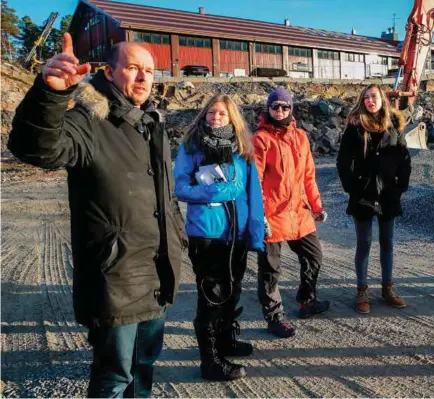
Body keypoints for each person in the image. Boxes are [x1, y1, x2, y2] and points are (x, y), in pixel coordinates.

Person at [8, 35, 186, 397]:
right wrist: (51, 94)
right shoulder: (89, 120)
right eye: (133, 68)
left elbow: (166, 198)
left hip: (156, 272)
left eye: (149, 71)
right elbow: (38, 148)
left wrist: (178, 239)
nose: (143, 78)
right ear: (110, 71)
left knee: (143, 367)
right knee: (114, 376)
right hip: (116, 277)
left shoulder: (151, 123)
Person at [173, 94, 265, 381]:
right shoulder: (191, 147)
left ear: (232, 118)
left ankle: (226, 339)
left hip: (235, 233)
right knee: (211, 296)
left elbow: (252, 192)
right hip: (207, 234)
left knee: (232, 290)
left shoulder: (241, 150)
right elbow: (180, 188)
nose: (216, 118)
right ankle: (210, 359)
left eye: (222, 114)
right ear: (204, 116)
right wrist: (214, 193)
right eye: (211, 113)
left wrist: (256, 226)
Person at [253, 87, 331, 338]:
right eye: (275, 106)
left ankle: (306, 301)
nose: (279, 111)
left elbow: (308, 176)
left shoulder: (301, 137)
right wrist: (260, 214)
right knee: (270, 269)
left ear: (291, 109)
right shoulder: (261, 139)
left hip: (298, 211)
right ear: (268, 108)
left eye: (284, 107)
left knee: (314, 255)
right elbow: (255, 180)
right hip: (272, 213)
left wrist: (317, 206)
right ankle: (274, 317)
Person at [336, 84, 412, 314]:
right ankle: (362, 291)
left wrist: (400, 187)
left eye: (374, 96)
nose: (370, 100)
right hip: (363, 196)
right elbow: (343, 163)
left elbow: (405, 160)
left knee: (387, 244)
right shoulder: (355, 129)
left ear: (383, 100)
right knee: (364, 244)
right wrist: (354, 189)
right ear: (362, 101)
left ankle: (387, 289)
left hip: (389, 195)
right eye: (366, 97)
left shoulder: (394, 128)